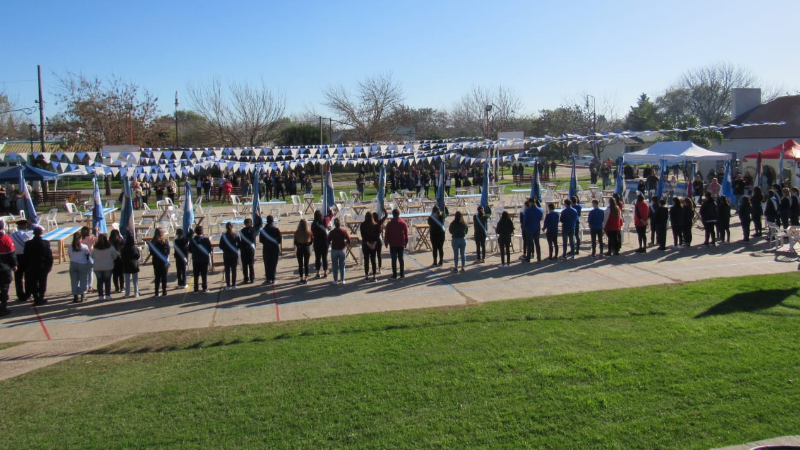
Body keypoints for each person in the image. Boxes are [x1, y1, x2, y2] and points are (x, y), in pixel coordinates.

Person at [23, 226, 52, 306]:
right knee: (42, 282)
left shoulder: (28, 244)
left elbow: (26, 256)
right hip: (43, 266)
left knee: (33, 283)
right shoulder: (46, 243)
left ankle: (36, 298)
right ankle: (41, 297)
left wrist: (27, 266)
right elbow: (49, 256)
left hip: (32, 266)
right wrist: (49, 266)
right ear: (41, 233)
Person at [92, 233, 118, 301]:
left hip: (97, 266)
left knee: (99, 281)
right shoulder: (110, 247)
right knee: (107, 281)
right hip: (108, 266)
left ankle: (100, 296)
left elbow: (93, 256)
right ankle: (108, 295)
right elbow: (115, 256)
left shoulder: (95, 248)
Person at [10, 219, 32, 302]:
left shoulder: (12, 235)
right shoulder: (29, 234)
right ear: (25, 226)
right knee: (28, 276)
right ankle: (28, 293)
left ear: (18, 226)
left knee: (18, 277)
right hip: (27, 257)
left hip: (17, 257)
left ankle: (20, 294)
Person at [384, 209, 409, 279]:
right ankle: (402, 274)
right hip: (401, 243)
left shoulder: (390, 224)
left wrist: (386, 242)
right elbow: (406, 234)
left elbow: (387, 234)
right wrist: (406, 241)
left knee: (393, 259)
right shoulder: (403, 223)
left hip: (393, 244)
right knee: (401, 259)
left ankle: (394, 274)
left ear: (393, 214)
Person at [0, 221, 17, 316]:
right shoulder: (6, 238)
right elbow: (12, 253)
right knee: (4, 288)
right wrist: (15, 264)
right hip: (4, 268)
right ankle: (3, 308)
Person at [67, 232, 91, 303]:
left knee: (74, 281)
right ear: (80, 239)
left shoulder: (70, 247)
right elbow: (87, 255)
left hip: (73, 264)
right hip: (82, 264)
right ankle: (83, 295)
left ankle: (75, 296)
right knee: (83, 280)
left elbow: (70, 255)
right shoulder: (84, 247)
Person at [259, 215, 282, 285]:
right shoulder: (276, 229)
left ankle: (268, 278)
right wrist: (275, 242)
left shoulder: (263, 230)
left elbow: (261, 240)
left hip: (266, 248)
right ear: (273, 221)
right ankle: (273, 278)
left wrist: (266, 243)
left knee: (267, 263)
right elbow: (279, 239)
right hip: (274, 248)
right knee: (274, 263)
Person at [189, 226, 211, 293]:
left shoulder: (192, 240)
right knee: (204, 274)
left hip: (196, 259)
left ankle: (196, 288)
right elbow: (209, 249)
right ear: (202, 232)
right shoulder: (206, 240)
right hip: (204, 259)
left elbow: (190, 250)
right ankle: (204, 288)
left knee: (196, 274)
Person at [328, 218, 351, 285]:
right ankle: (342, 279)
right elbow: (349, 240)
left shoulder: (332, 232)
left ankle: (335, 280)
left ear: (334, 224)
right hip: (342, 249)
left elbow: (328, 241)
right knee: (342, 265)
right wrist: (345, 241)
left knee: (335, 265)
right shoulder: (344, 231)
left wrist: (331, 242)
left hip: (334, 249)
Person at [149, 228, 171, 297]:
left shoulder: (152, 242)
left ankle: (156, 292)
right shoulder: (165, 241)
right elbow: (168, 251)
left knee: (157, 277)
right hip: (163, 261)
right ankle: (164, 292)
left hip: (156, 261)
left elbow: (151, 252)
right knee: (164, 277)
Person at [239, 216, 259, 285]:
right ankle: (252, 278)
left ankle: (245, 278)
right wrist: (257, 216)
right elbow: (259, 225)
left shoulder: (241, 231)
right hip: (250, 249)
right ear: (250, 223)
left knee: (244, 264)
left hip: (243, 249)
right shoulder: (252, 230)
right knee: (251, 264)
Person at [220, 222, 241, 290]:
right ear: (232, 227)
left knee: (227, 270)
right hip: (234, 254)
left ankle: (228, 285)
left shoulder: (223, 236)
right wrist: (236, 248)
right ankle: (234, 285)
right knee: (234, 270)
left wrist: (225, 249)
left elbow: (221, 246)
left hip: (226, 255)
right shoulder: (235, 235)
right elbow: (239, 244)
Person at [361, 212, 381, 281]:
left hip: (365, 244)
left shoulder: (362, 225)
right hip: (373, 244)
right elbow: (377, 235)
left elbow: (363, 236)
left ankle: (366, 276)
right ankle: (374, 276)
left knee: (366, 260)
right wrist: (374, 243)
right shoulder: (376, 225)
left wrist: (368, 243)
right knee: (373, 260)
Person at [311, 210, 329, 279]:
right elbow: (329, 216)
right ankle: (325, 272)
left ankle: (318, 272)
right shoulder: (324, 223)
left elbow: (312, 233)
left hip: (317, 242)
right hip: (324, 242)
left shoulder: (313, 224)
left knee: (317, 258)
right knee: (324, 258)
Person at [294, 219, 313, 284]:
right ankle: (306, 277)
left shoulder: (297, 232)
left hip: (299, 248)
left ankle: (301, 277)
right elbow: (311, 241)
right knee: (306, 264)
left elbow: (295, 242)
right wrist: (307, 244)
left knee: (300, 264)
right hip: (306, 248)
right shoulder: (309, 232)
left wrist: (298, 245)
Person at [80, 227, 97, 293]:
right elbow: (98, 239)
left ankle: (85, 286)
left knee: (84, 273)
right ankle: (90, 286)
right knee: (90, 272)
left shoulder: (81, 239)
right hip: (90, 256)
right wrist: (97, 232)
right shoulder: (91, 238)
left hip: (82, 256)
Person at [109, 229, 125, 293]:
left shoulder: (110, 242)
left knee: (115, 275)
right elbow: (124, 242)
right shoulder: (120, 241)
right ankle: (122, 287)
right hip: (120, 259)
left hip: (113, 260)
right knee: (121, 274)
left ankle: (116, 287)